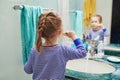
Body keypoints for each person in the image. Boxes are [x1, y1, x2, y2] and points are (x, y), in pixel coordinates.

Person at [24, 11, 87, 80]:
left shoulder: (35, 50)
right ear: (59, 32)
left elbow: (27, 70)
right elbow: (82, 52)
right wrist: (74, 37)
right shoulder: (63, 50)